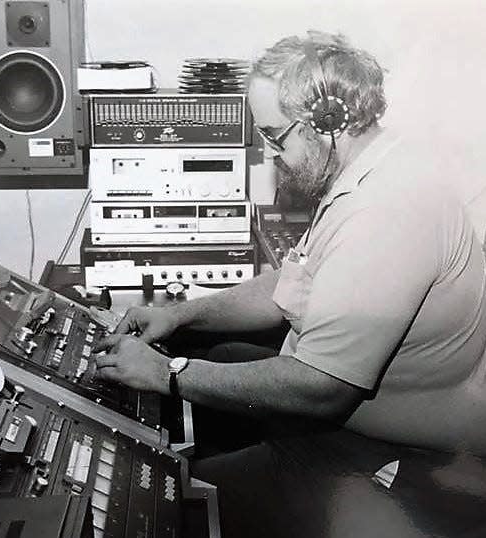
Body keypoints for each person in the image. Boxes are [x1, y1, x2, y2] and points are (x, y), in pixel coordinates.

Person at [93, 31, 486, 537]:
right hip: (348, 422)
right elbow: (292, 284)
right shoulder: (372, 167)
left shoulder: (385, 214)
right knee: (222, 352)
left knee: (170, 507)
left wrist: (169, 373)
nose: (271, 153)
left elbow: (321, 388)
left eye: (277, 137)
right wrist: (180, 314)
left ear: (328, 124)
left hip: (391, 461)